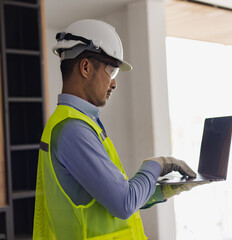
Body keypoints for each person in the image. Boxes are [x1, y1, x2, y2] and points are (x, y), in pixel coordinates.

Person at [33, 19, 206, 240]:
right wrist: (156, 165)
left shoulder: (77, 123)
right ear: (85, 67)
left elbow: (108, 199)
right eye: (111, 71)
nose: (114, 83)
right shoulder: (73, 130)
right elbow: (124, 203)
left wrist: (164, 190)